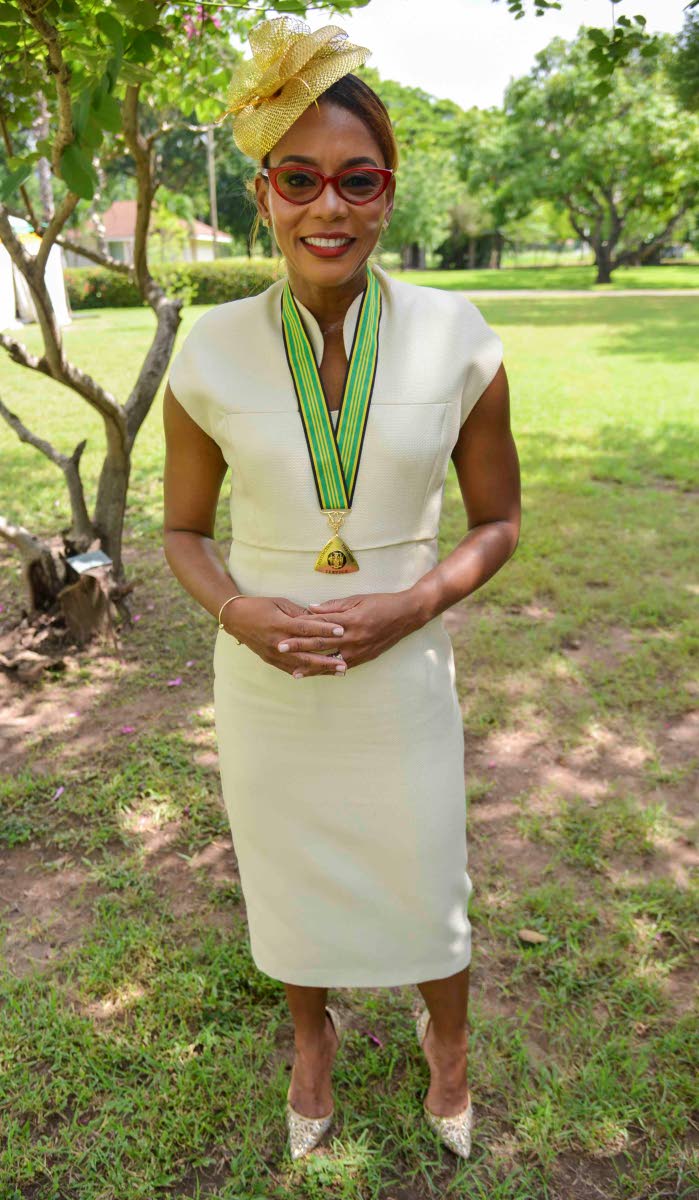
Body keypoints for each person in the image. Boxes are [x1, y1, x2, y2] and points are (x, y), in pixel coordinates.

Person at [162, 15, 521, 1163]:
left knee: (427, 863)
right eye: (301, 179)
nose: (330, 208)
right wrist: (238, 611)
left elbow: (501, 520)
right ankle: (309, 1040)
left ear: (389, 190)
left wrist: (414, 604)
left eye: (356, 180)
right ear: (263, 192)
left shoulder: (459, 337)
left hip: (402, 665)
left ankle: (447, 1043)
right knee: (288, 864)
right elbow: (180, 531)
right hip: (267, 677)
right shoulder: (209, 351)